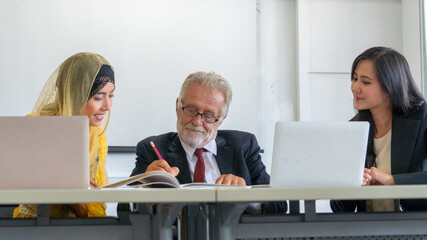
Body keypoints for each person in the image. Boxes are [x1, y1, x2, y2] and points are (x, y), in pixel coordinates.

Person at [130, 71, 286, 214]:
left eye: (209, 116)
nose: (197, 122)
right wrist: (145, 185)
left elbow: (279, 205)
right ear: (178, 107)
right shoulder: (152, 149)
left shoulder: (243, 146)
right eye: (191, 110)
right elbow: (126, 210)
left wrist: (247, 196)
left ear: (221, 119)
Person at [13, 52, 115, 218]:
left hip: (79, 228)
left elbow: (96, 210)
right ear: (74, 94)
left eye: (111, 95)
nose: (107, 106)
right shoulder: (34, 127)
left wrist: (77, 204)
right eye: (98, 97)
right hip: (32, 228)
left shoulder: (97, 138)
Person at [331, 47, 427, 212]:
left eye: (366, 82)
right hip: (368, 228)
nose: (355, 88)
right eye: (355, 79)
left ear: (391, 87)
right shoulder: (352, 129)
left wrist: (392, 180)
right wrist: (349, 184)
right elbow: (339, 207)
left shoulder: (423, 118)